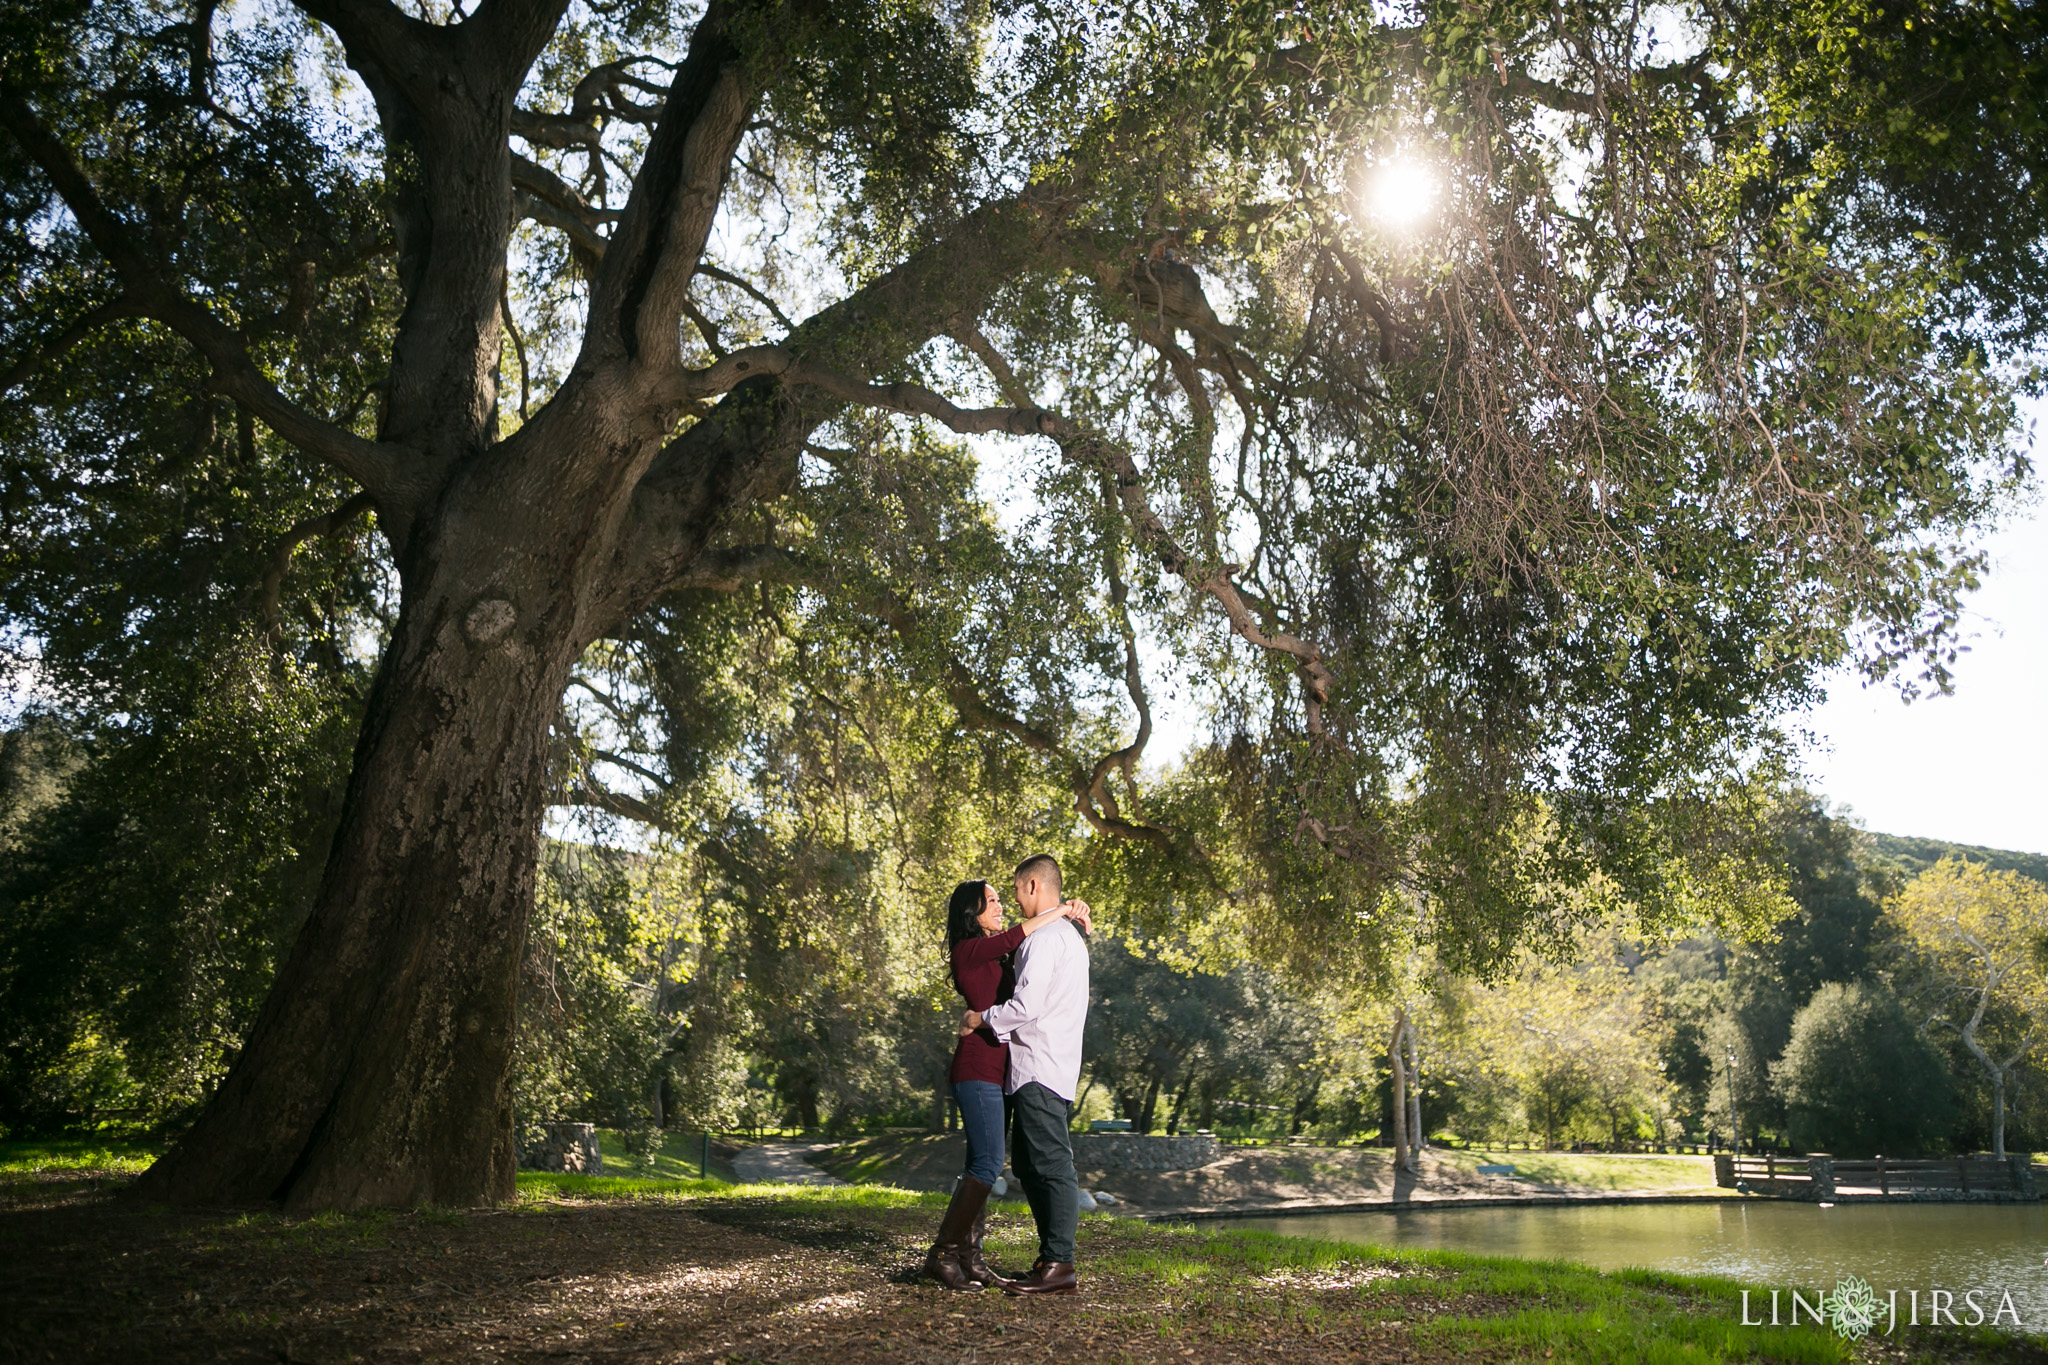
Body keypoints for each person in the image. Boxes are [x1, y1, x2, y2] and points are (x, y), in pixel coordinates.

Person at [921, 878, 1089, 1291]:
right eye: (992, 901)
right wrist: (1063, 909)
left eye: (1002, 898)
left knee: (982, 1162)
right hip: (977, 1069)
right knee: (987, 1164)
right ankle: (942, 1255)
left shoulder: (1001, 956)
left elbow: (1048, 964)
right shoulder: (972, 950)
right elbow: (1023, 932)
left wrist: (1075, 923)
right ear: (971, 912)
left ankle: (971, 1260)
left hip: (1002, 1073)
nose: (1002, 906)